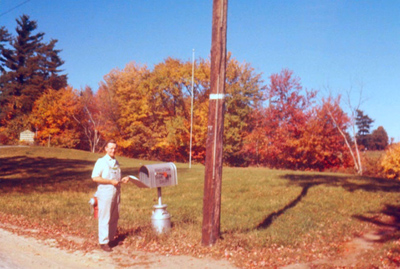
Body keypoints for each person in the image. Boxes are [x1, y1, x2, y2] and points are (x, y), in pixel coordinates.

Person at [91, 139, 130, 252]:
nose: (113, 150)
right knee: (105, 217)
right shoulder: (101, 161)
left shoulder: (116, 162)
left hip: (116, 192)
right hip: (105, 193)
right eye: (111, 148)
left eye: (114, 148)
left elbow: (116, 179)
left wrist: (123, 180)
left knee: (114, 216)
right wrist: (110, 182)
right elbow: (95, 177)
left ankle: (111, 239)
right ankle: (103, 242)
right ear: (106, 149)